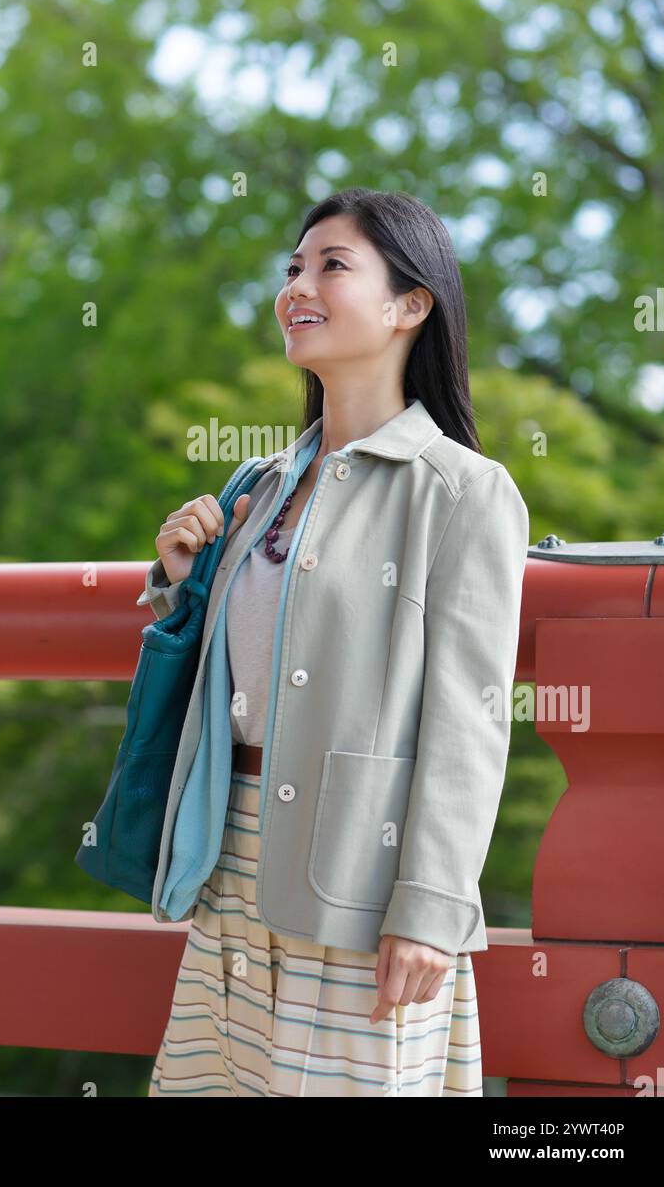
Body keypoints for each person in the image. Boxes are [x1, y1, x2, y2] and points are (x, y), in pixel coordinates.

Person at [143, 187, 529, 1096]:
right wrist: (179, 580)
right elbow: (224, 666)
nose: (297, 286)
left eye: (331, 265)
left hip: (362, 871)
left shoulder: (463, 492)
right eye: (292, 268)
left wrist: (433, 907)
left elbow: (471, 721)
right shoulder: (260, 488)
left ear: (411, 305)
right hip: (226, 859)